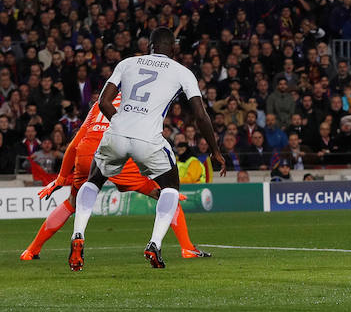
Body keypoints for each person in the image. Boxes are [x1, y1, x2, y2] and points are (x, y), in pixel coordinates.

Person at [68, 28, 224, 270]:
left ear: (149, 46)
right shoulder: (182, 72)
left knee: (94, 180)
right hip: (148, 139)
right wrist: (215, 150)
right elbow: (201, 116)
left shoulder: (127, 63)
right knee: (170, 186)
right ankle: (154, 244)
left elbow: (103, 101)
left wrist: (121, 123)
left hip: (116, 132)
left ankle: (78, 234)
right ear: (173, 48)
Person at [20, 95, 210, 262]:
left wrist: (61, 178)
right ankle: (187, 248)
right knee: (166, 196)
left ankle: (31, 250)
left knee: (72, 203)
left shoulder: (99, 104)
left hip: (86, 154)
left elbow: (74, 143)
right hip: (114, 150)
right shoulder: (137, 104)